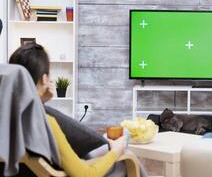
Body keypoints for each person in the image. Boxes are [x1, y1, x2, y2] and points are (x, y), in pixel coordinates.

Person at [9, 43, 136, 176]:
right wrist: (115, 152)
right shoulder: (45, 124)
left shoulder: (7, 119)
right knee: (125, 161)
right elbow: (84, 175)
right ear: (45, 79)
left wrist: (40, 101)